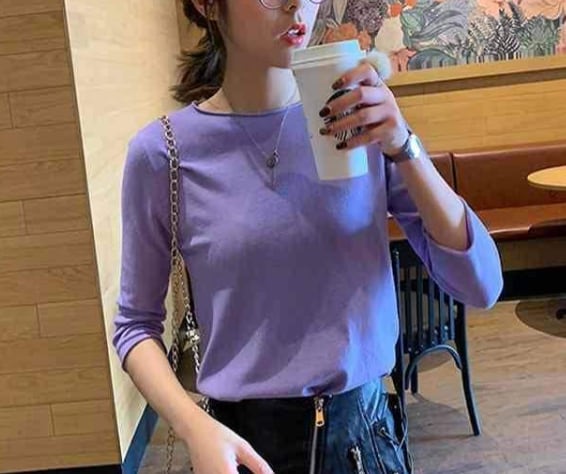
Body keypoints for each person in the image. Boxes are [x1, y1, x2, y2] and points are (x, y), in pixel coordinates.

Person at [112, 0, 503, 473]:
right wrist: (193, 425)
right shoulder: (164, 155)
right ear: (208, 5)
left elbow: (481, 284)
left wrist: (403, 144)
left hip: (365, 445)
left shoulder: (356, 122)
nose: (299, 5)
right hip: (240, 451)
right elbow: (135, 325)